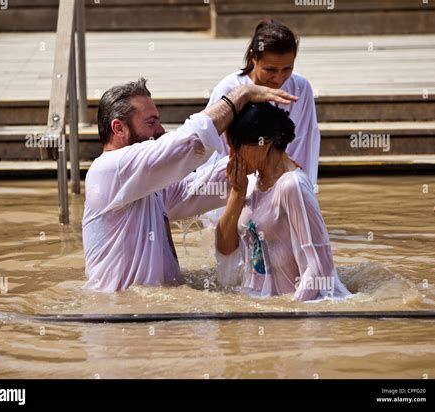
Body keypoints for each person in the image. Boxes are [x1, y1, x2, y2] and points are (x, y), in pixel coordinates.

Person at [82, 78, 297, 292]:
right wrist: (241, 95)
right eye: (151, 123)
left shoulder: (144, 185)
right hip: (124, 318)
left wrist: (256, 160)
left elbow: (192, 190)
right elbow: (189, 142)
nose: (161, 130)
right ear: (119, 128)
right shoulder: (108, 170)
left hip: (154, 312)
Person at [215, 103, 351, 301]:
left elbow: (319, 265)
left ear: (264, 143)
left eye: (237, 146)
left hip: (290, 308)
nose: (232, 155)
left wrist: (291, 314)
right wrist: (237, 191)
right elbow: (226, 250)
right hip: (257, 305)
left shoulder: (292, 185)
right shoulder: (250, 183)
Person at [204, 20, 320, 186]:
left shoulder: (301, 88)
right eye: (270, 70)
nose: (278, 78)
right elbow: (217, 149)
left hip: (284, 181)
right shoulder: (229, 90)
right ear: (254, 57)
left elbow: (304, 143)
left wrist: (303, 187)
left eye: (287, 69)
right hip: (232, 183)